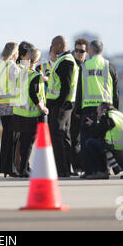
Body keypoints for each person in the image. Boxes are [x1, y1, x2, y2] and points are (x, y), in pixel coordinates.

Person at [75, 40, 119, 179]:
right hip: (106, 109)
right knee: (103, 139)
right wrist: (115, 109)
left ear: (91, 51)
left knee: (86, 140)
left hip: (88, 108)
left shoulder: (84, 66)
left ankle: (90, 171)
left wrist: (77, 110)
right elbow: (115, 92)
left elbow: (79, 90)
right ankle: (104, 169)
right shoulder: (110, 66)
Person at [46, 35, 79, 178]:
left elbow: (66, 86)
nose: (52, 47)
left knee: (57, 136)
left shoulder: (66, 61)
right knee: (65, 136)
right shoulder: (64, 60)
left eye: (53, 44)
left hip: (61, 105)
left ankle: (61, 169)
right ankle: (65, 168)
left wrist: (58, 104)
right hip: (65, 104)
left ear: (59, 45)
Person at [12, 48, 48, 177]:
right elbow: (33, 94)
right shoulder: (35, 76)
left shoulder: (21, 73)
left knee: (23, 141)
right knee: (28, 143)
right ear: (37, 60)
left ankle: (23, 167)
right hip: (30, 115)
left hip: (18, 112)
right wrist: (41, 108)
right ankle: (23, 170)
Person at [84, 102, 123, 179]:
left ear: (104, 110)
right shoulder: (121, 115)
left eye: (98, 112)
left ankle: (103, 171)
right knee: (106, 144)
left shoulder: (106, 115)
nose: (97, 114)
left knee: (90, 142)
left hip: (116, 146)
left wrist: (93, 124)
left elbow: (97, 133)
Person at [0, 42, 20, 177]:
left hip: (2, 104)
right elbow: (18, 86)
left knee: (6, 137)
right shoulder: (12, 66)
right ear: (14, 53)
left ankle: (4, 167)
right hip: (12, 105)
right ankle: (11, 168)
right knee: (12, 138)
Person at [70, 38, 89, 175]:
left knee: (86, 139)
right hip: (73, 107)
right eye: (76, 50)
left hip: (88, 107)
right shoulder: (71, 65)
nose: (78, 53)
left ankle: (86, 165)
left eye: (81, 51)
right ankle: (77, 167)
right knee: (74, 138)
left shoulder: (89, 67)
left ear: (87, 52)